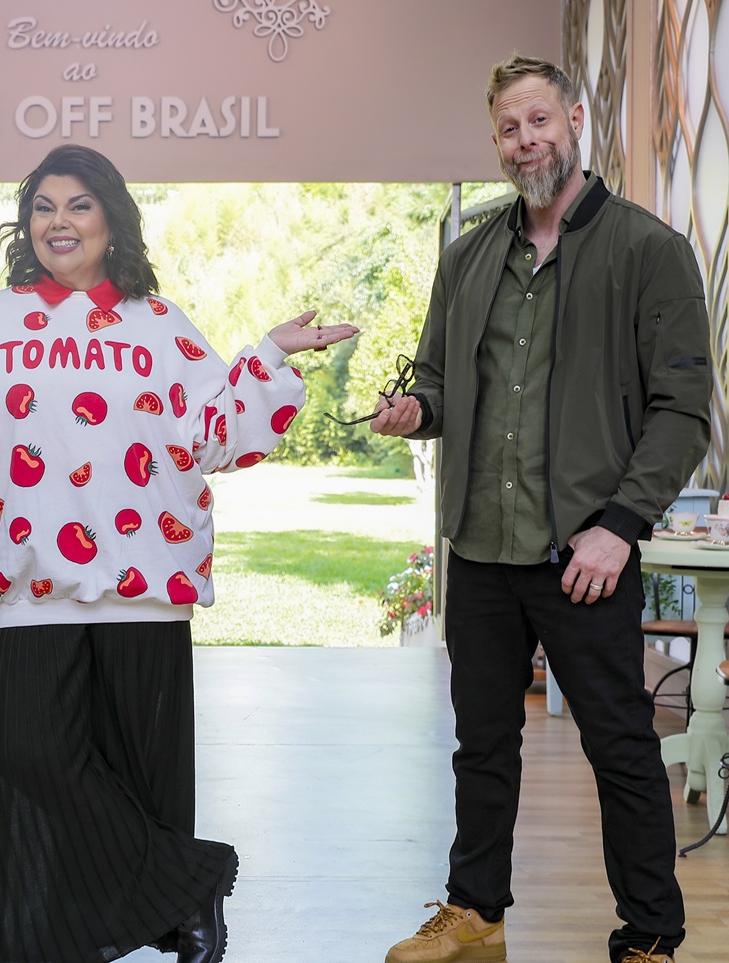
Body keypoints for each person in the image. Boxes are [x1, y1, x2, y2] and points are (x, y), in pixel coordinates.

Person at [0, 143, 357, 962]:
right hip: (31, 586)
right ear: (27, 224)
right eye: (45, 206)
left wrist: (266, 356)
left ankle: (153, 913)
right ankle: (186, 884)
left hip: (145, 584)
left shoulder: (158, 325)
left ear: (111, 221)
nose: (60, 221)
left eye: (79, 205)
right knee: (32, 762)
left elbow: (211, 435)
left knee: (136, 778)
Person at [371, 55, 711, 963]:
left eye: (539, 122)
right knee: (481, 744)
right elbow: (442, 383)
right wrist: (417, 411)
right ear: (496, 142)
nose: (526, 142)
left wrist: (620, 525)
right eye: (508, 130)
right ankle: (475, 913)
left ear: (574, 118)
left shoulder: (648, 251)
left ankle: (651, 934)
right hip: (480, 548)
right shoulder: (469, 254)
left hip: (584, 555)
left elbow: (684, 410)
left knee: (621, 751)